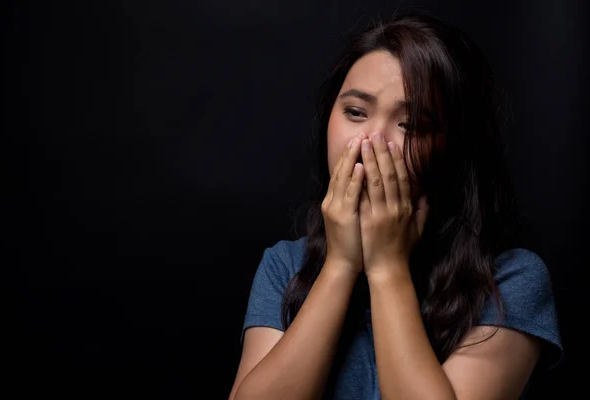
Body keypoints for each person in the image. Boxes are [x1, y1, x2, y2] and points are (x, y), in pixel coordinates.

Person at [229, 10, 562, 400]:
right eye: (355, 112)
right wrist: (340, 265)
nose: (371, 141)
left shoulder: (509, 282)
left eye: (412, 125)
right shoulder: (285, 266)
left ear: (454, 146)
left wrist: (388, 266)